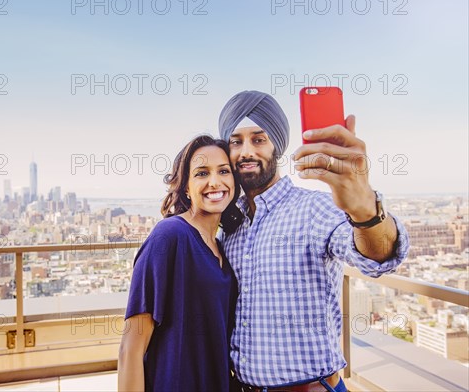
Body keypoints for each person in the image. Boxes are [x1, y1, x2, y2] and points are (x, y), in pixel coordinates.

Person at [218, 90, 409, 392]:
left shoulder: (315, 209)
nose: (246, 152)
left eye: (258, 139)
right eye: (235, 141)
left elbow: (378, 256)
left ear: (276, 146)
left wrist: (364, 210)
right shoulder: (229, 227)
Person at [118, 135, 241, 391]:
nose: (214, 182)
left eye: (224, 171)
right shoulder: (170, 236)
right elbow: (131, 348)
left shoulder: (222, 247)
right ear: (185, 186)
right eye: (202, 173)